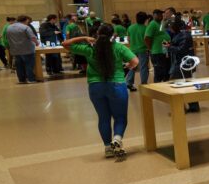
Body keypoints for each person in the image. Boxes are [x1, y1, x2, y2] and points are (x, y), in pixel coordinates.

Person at [63, 23, 138, 159]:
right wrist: (127, 66)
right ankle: (117, 138)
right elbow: (135, 61)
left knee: (103, 118)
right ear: (112, 35)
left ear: (97, 34)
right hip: (116, 85)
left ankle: (108, 148)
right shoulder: (119, 47)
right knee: (120, 118)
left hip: (95, 86)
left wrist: (84, 37)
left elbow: (65, 44)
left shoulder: (90, 49)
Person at [4, 14, 39, 84]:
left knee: (19, 66)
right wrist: (37, 43)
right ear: (26, 20)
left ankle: (22, 80)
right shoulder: (26, 27)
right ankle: (31, 79)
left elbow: (7, 38)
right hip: (27, 50)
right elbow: (32, 37)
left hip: (15, 50)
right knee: (29, 65)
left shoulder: (9, 28)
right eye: (28, 21)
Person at [126, 12, 148, 90]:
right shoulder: (146, 28)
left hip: (132, 50)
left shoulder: (130, 27)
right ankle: (144, 84)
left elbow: (128, 39)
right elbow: (147, 39)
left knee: (132, 66)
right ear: (145, 19)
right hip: (143, 50)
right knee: (143, 67)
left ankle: (129, 82)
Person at [146, 8, 170, 82]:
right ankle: (157, 88)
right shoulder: (152, 24)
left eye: (161, 14)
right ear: (154, 15)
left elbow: (162, 35)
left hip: (164, 51)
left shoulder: (160, 24)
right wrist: (150, 48)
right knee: (159, 73)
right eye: (159, 14)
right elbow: (147, 38)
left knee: (166, 71)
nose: (161, 16)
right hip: (157, 52)